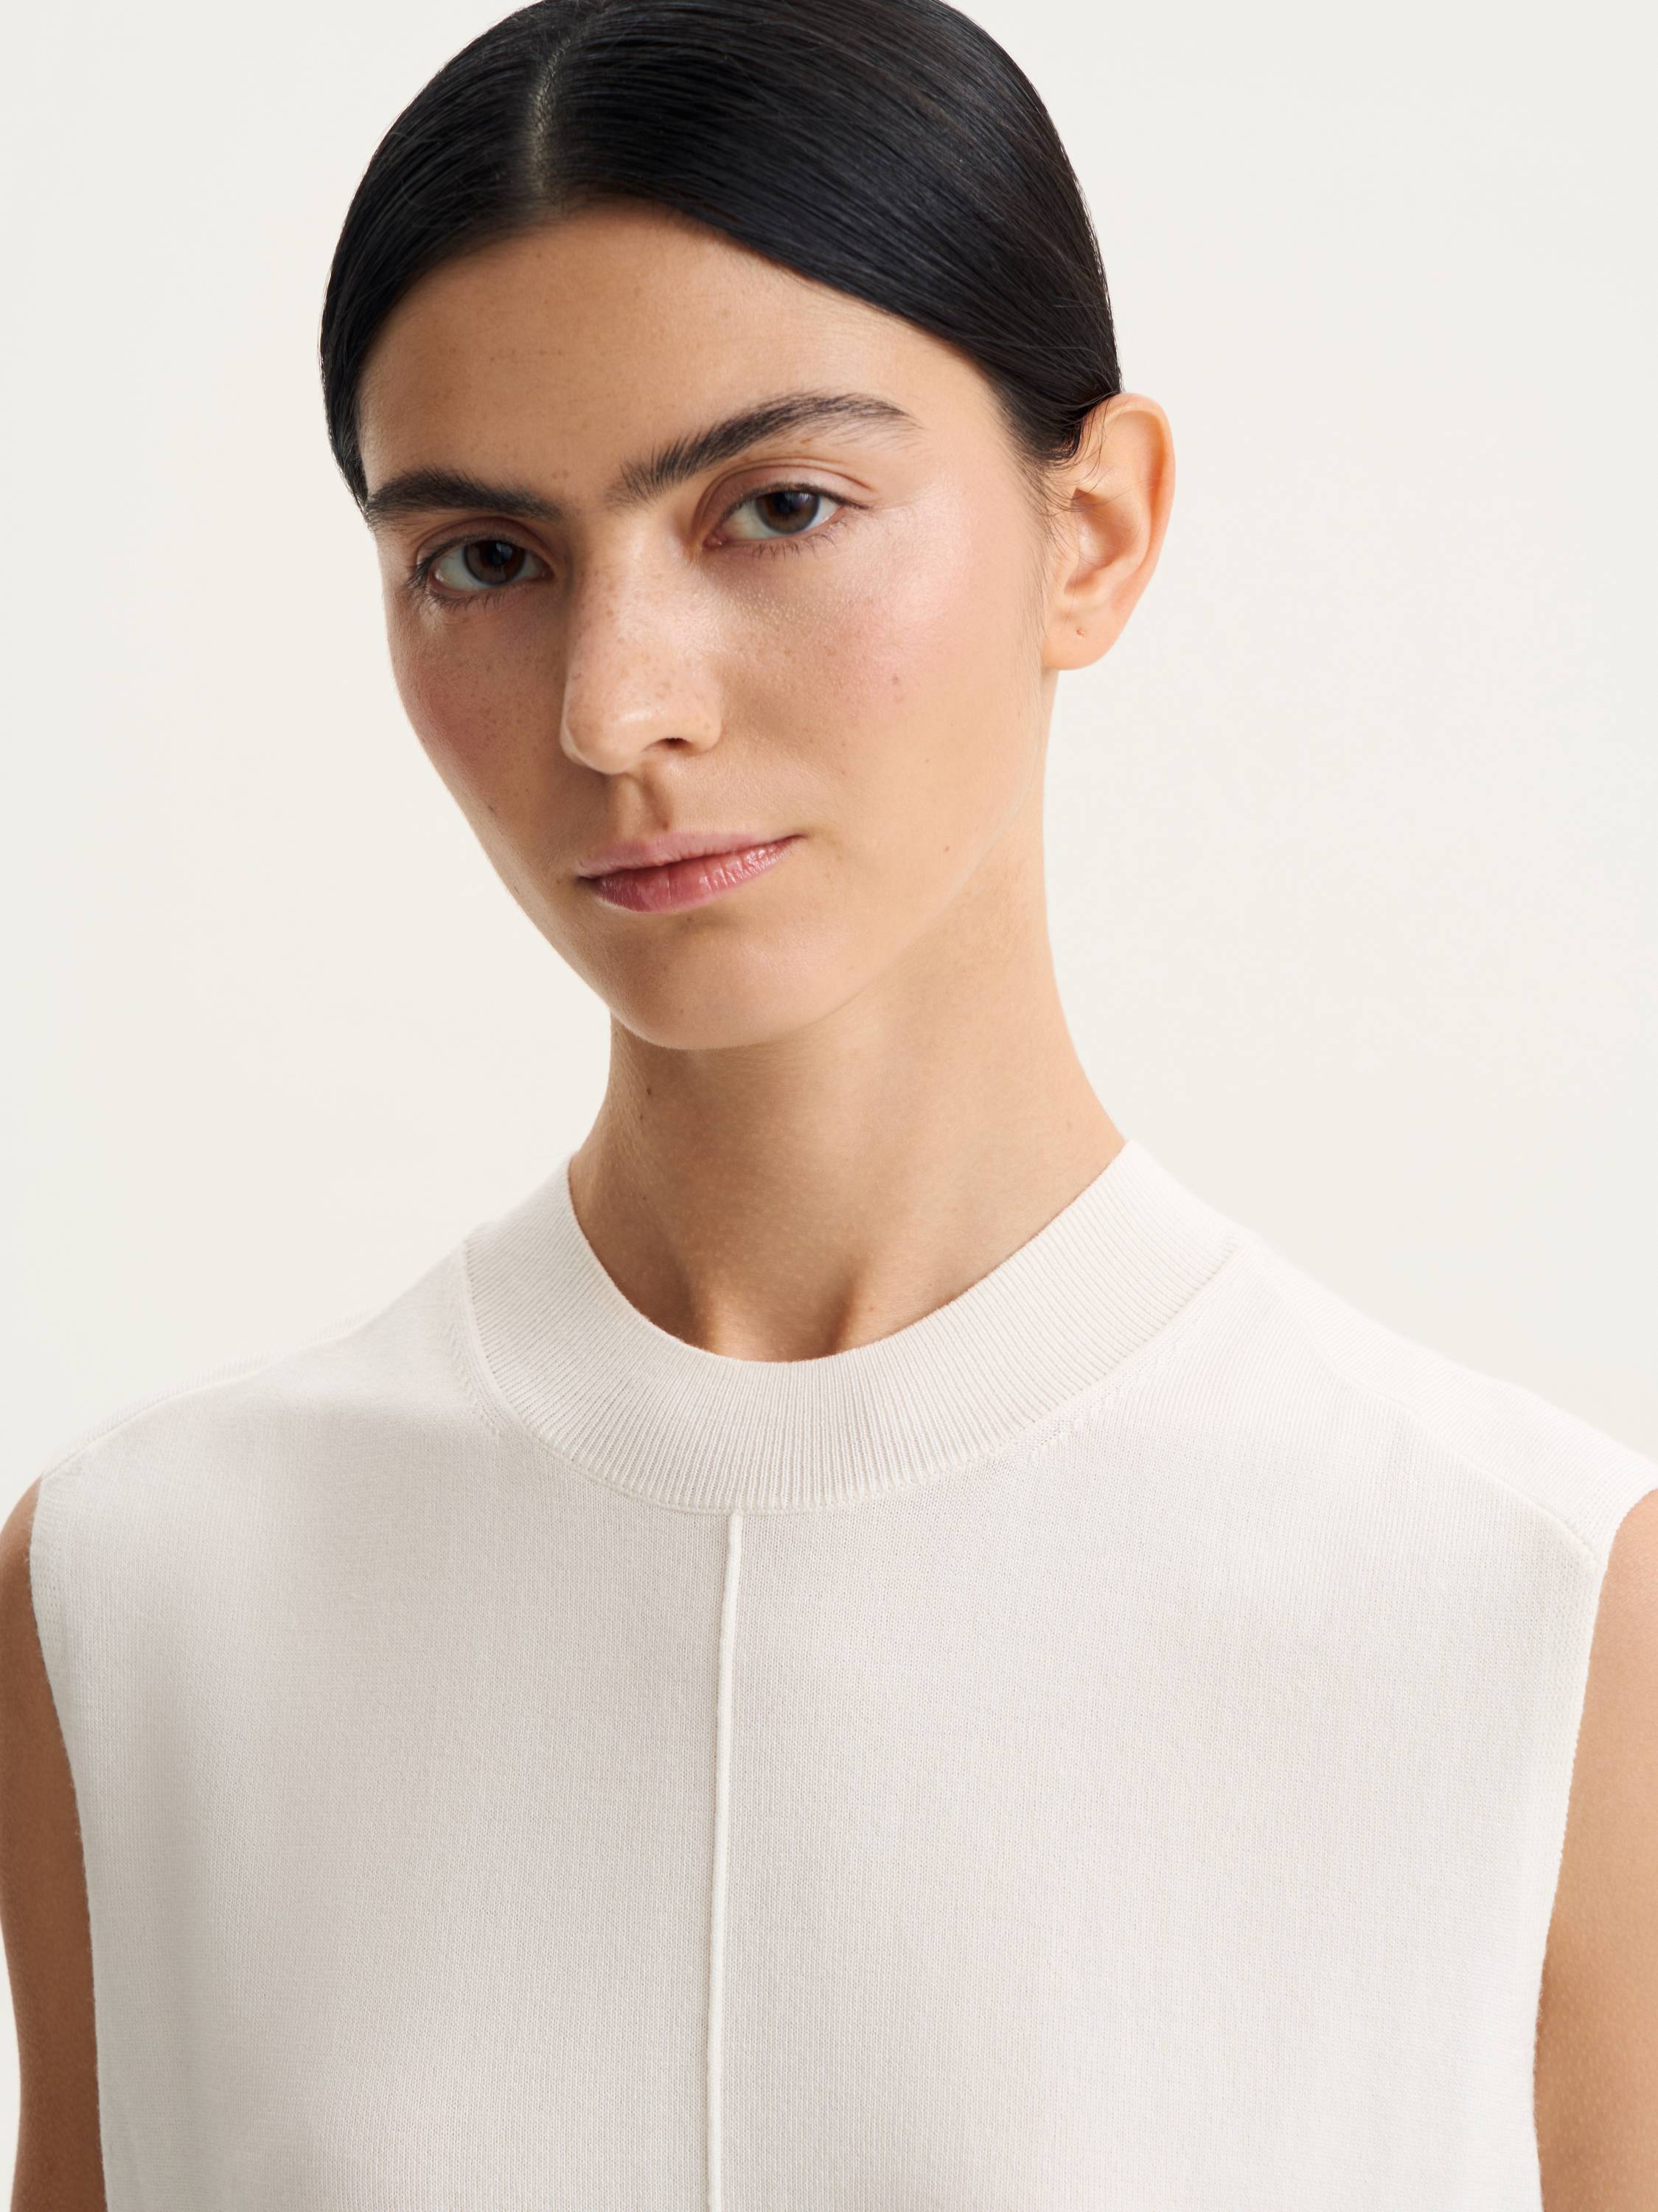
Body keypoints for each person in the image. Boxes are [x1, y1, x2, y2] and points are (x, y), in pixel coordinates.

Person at [3, 0, 1654, 2204]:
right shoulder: (142, 1596)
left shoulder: (1530, 1615)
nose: (615, 708)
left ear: (1095, 532)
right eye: (483, 558)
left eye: (776, 507)